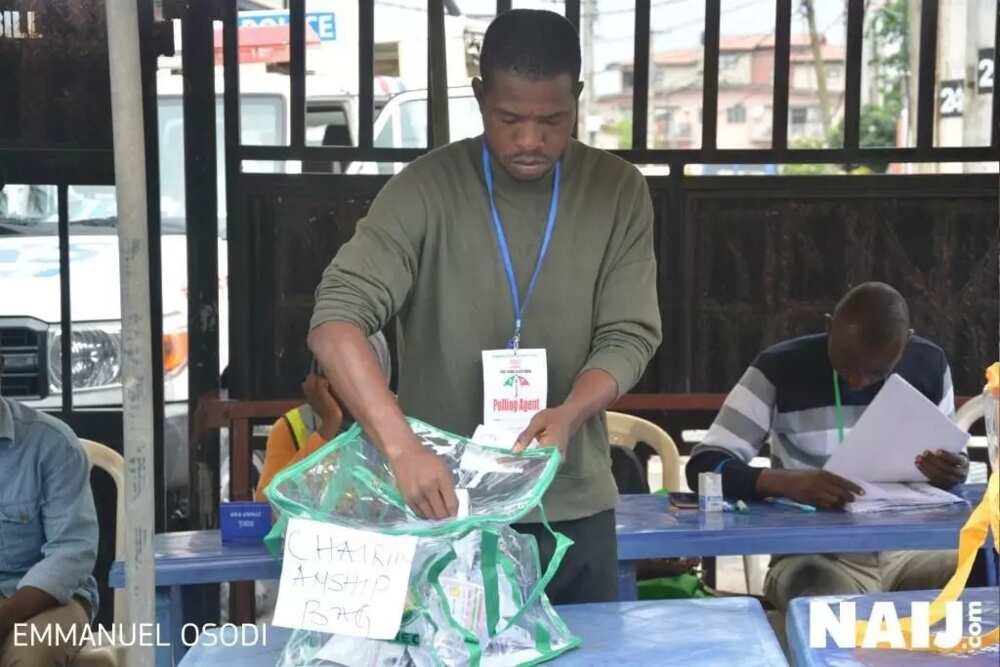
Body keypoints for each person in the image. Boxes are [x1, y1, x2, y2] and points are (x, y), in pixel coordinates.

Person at [307, 9, 661, 604]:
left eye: (552, 120)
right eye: (509, 118)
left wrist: (572, 412)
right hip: (442, 507)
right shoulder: (423, 189)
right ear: (479, 97)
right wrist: (402, 449)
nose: (530, 139)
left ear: (576, 98)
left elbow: (629, 335)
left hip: (569, 508)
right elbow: (335, 322)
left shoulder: (617, 190)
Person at [686, 282, 967, 611]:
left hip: (910, 552)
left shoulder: (929, 365)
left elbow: (948, 462)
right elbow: (704, 466)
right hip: (818, 556)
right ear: (828, 326)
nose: (857, 380)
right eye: (846, 361)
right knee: (822, 601)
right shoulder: (779, 368)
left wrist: (950, 470)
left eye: (876, 371)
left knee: (978, 576)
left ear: (905, 343)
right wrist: (786, 482)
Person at [0, 354, 100, 666]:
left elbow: (70, 552)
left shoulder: (52, 443)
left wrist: (6, 616)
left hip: (50, 600)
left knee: (32, 654)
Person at [255, 332, 391, 501]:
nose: (351, 382)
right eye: (338, 369)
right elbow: (266, 506)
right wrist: (328, 424)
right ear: (319, 375)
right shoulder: (292, 427)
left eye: (363, 370)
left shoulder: (404, 421)